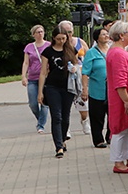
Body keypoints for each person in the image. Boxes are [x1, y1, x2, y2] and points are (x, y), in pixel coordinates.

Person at [37, 25, 79, 157]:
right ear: (53, 38)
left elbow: (77, 63)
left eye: (64, 38)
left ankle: (63, 139)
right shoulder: (48, 52)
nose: (61, 41)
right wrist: (40, 92)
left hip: (68, 86)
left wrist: (75, 68)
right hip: (52, 86)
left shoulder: (71, 49)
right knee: (57, 116)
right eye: (59, 39)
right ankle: (59, 146)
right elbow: (43, 72)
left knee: (65, 117)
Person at [106, 21, 128, 174]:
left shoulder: (118, 51)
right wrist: (127, 101)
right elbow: (120, 80)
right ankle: (118, 161)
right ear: (122, 35)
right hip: (121, 98)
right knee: (120, 130)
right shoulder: (118, 54)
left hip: (122, 96)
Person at [59, 20, 90, 135]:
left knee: (82, 101)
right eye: (65, 32)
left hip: (80, 76)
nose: (68, 35)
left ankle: (85, 121)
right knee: (65, 105)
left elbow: (88, 56)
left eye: (70, 32)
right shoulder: (59, 45)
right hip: (65, 77)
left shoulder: (79, 42)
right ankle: (66, 128)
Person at [81, 27, 111, 148]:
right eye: (103, 34)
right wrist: (85, 89)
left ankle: (110, 136)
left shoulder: (112, 50)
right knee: (97, 116)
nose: (106, 36)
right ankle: (98, 139)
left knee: (112, 115)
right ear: (97, 38)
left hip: (111, 89)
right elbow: (85, 72)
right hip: (96, 89)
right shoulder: (91, 53)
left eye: (107, 34)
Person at [21, 25, 50, 134]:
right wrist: (24, 76)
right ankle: (40, 120)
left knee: (44, 103)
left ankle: (41, 125)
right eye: (37, 32)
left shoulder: (48, 45)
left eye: (42, 31)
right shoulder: (29, 47)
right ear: (33, 34)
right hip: (32, 78)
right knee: (33, 103)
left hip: (45, 78)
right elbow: (26, 62)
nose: (40, 34)